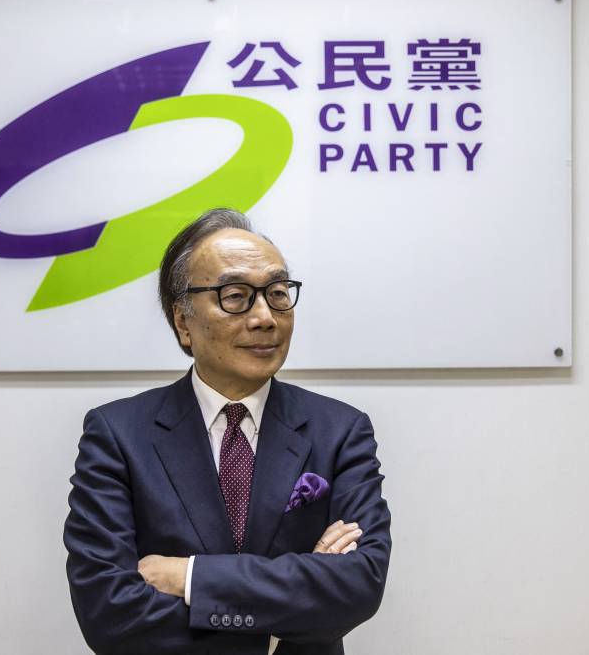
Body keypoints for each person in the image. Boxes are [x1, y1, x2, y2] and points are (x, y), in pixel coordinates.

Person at [64, 208, 391, 654]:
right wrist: (278, 624)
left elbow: (357, 586)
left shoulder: (340, 430)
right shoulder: (117, 435)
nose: (265, 317)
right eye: (235, 296)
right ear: (183, 322)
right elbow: (109, 613)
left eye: (278, 293)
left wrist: (190, 579)